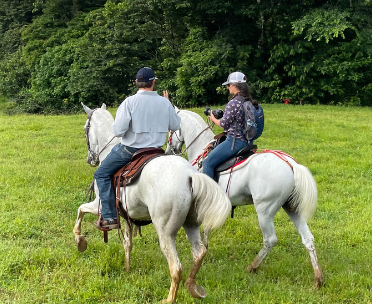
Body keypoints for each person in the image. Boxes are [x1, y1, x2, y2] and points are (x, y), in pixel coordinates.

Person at [93, 67, 181, 231]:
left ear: (136, 83)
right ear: (153, 82)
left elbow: (118, 131)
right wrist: (166, 104)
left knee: (101, 173)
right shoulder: (164, 102)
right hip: (156, 151)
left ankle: (110, 216)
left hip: (131, 150)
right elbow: (176, 125)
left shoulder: (129, 102)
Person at [201, 71, 259, 182]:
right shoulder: (247, 100)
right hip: (247, 142)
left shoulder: (233, 103)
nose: (228, 87)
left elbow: (223, 125)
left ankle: (210, 196)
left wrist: (213, 119)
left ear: (235, 85)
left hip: (234, 142)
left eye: (228, 85)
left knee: (207, 162)